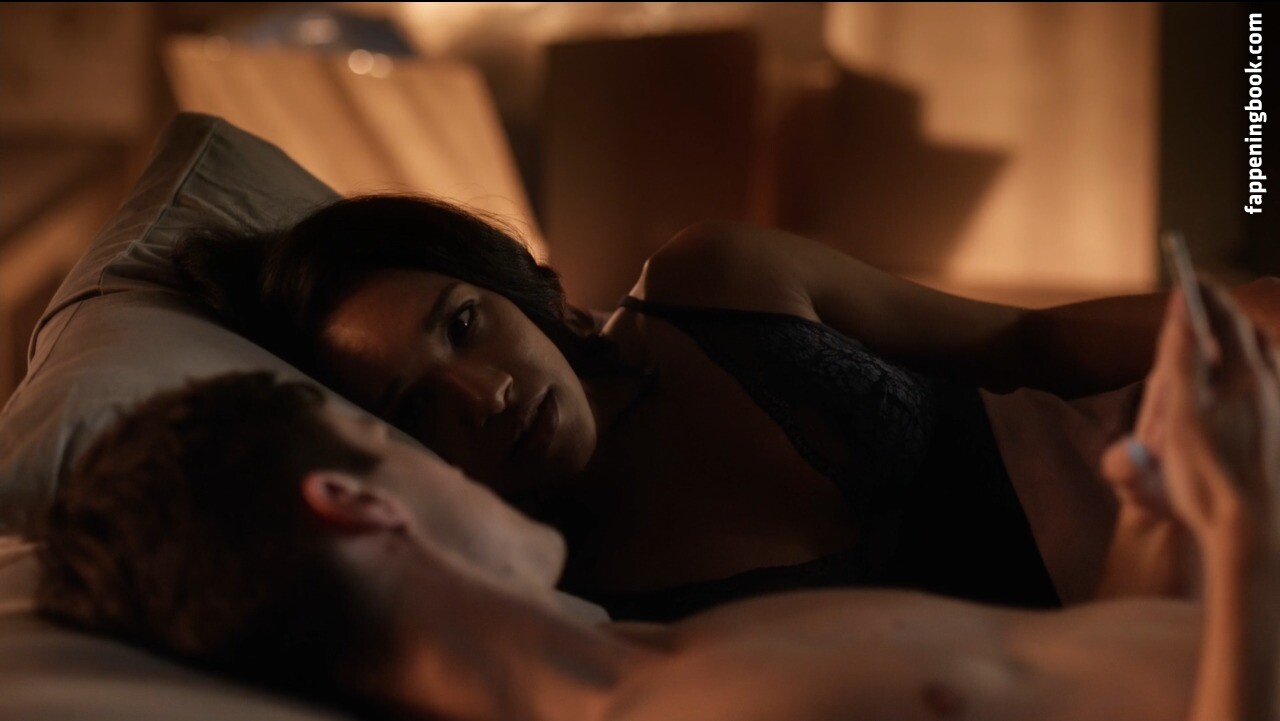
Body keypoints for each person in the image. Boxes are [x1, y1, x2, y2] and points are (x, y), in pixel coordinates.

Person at [34, 282, 1279, 721]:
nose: (454, 446)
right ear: (355, 503)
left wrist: (1163, 508)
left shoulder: (682, 652)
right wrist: (1247, 535)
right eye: (394, 433)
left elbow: (1101, 674)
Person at [176, 194, 1280, 618]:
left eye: (464, 323)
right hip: (1182, 631)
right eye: (417, 406)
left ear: (513, 288)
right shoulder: (576, 601)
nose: (486, 392)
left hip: (1200, 442)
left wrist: (1232, 318)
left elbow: (1022, 340)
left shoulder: (717, 282)